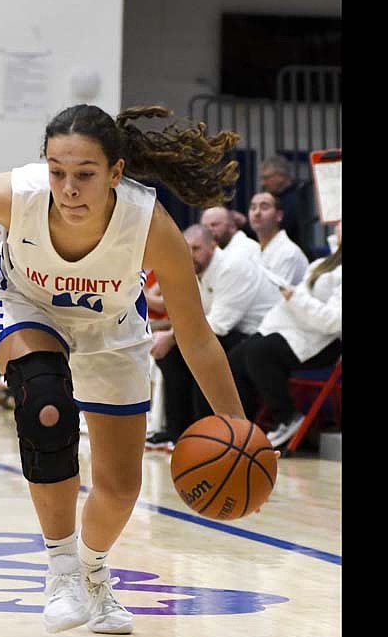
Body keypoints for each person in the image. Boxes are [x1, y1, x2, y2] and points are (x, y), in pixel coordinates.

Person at [0, 104, 249, 635]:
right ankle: (61, 571)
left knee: (120, 488)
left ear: (116, 172)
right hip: (25, 307)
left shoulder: (151, 225)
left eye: (85, 175)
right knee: (44, 405)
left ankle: (94, 573)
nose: (68, 189)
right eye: (57, 172)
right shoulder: (14, 195)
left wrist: (237, 426)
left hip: (110, 329)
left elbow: (195, 336)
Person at [145, 224, 280, 450]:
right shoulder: (194, 271)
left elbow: (218, 324)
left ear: (214, 245)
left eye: (197, 248)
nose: (191, 255)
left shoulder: (232, 267)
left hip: (258, 335)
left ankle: (213, 434)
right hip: (230, 332)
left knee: (202, 356)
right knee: (170, 356)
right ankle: (178, 431)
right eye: (187, 249)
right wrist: (168, 335)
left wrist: (170, 337)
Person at [228, 221, 343, 447]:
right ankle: (240, 428)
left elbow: (334, 321)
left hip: (325, 343)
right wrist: (293, 296)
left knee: (259, 352)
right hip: (295, 330)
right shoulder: (323, 263)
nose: (338, 225)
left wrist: (295, 297)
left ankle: (287, 417)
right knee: (236, 358)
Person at [248, 191, 309, 288]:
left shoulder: (288, 252)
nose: (257, 212)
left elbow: (278, 295)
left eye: (264, 207)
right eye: (253, 208)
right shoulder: (252, 251)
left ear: (279, 216)